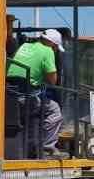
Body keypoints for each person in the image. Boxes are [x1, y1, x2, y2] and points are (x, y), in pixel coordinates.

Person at [7, 28, 64, 156]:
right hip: (26, 97)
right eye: (55, 48)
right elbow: (53, 80)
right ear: (52, 44)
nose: (55, 50)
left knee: (37, 107)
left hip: (9, 94)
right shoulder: (47, 51)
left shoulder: (25, 46)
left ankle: (31, 144)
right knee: (54, 110)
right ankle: (47, 146)